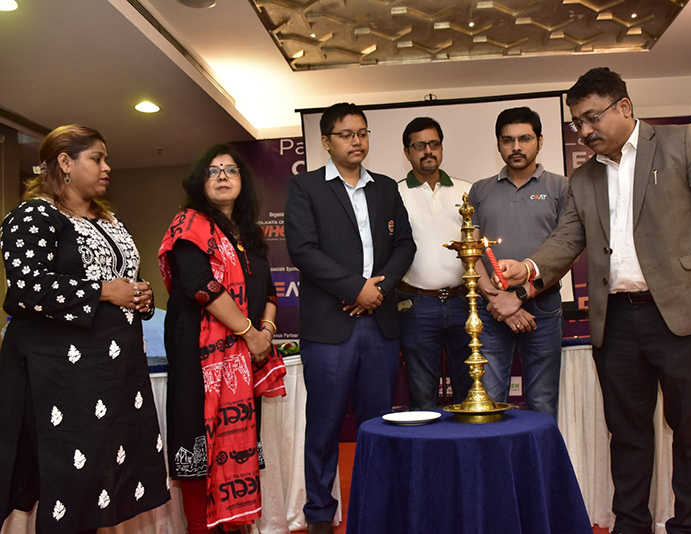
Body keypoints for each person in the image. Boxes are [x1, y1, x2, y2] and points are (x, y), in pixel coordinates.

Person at [498, 68, 691, 534]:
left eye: (591, 117)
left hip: (685, 314)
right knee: (627, 434)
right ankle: (632, 525)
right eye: (577, 122)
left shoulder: (682, 143)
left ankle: (690, 526)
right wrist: (530, 268)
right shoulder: (584, 177)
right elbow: (567, 239)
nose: (584, 130)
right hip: (616, 321)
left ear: (624, 107)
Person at [0, 125, 169, 533]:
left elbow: (124, 279)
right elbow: (27, 286)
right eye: (97, 158)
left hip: (112, 374)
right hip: (61, 376)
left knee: (99, 475)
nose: (107, 167)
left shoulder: (108, 219)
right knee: (67, 477)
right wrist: (103, 291)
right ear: (65, 162)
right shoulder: (35, 215)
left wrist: (141, 295)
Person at [285, 102, 415, 534]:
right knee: (324, 425)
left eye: (362, 133)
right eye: (346, 134)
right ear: (326, 141)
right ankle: (320, 514)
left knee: (377, 424)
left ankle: (377, 507)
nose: (356, 141)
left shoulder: (386, 188)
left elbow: (405, 246)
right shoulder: (305, 187)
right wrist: (355, 288)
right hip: (329, 327)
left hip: (380, 323)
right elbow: (303, 250)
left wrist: (378, 290)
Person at [158, 145, 286, 533]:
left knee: (238, 444)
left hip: (244, 360)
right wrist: (249, 333)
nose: (223, 176)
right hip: (198, 359)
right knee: (198, 441)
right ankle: (201, 526)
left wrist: (264, 333)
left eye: (231, 170)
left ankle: (235, 524)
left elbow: (269, 292)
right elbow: (202, 286)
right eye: (213, 171)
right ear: (200, 183)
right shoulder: (188, 226)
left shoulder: (247, 235)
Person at [468, 107, 568, 418]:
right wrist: (498, 300)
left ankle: (540, 455)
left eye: (524, 139)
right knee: (489, 403)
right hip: (492, 308)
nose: (516, 147)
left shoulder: (561, 187)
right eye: (507, 140)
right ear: (498, 144)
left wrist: (521, 296)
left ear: (540, 141)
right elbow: (471, 252)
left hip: (543, 305)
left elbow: (567, 252)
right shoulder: (480, 189)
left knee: (543, 403)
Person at [396, 117, 472, 410]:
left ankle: (468, 441)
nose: (428, 151)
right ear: (407, 152)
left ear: (441, 147)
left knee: (470, 392)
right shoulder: (394, 194)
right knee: (422, 397)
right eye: (419, 146)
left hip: (464, 303)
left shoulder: (467, 191)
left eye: (434, 144)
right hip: (416, 306)